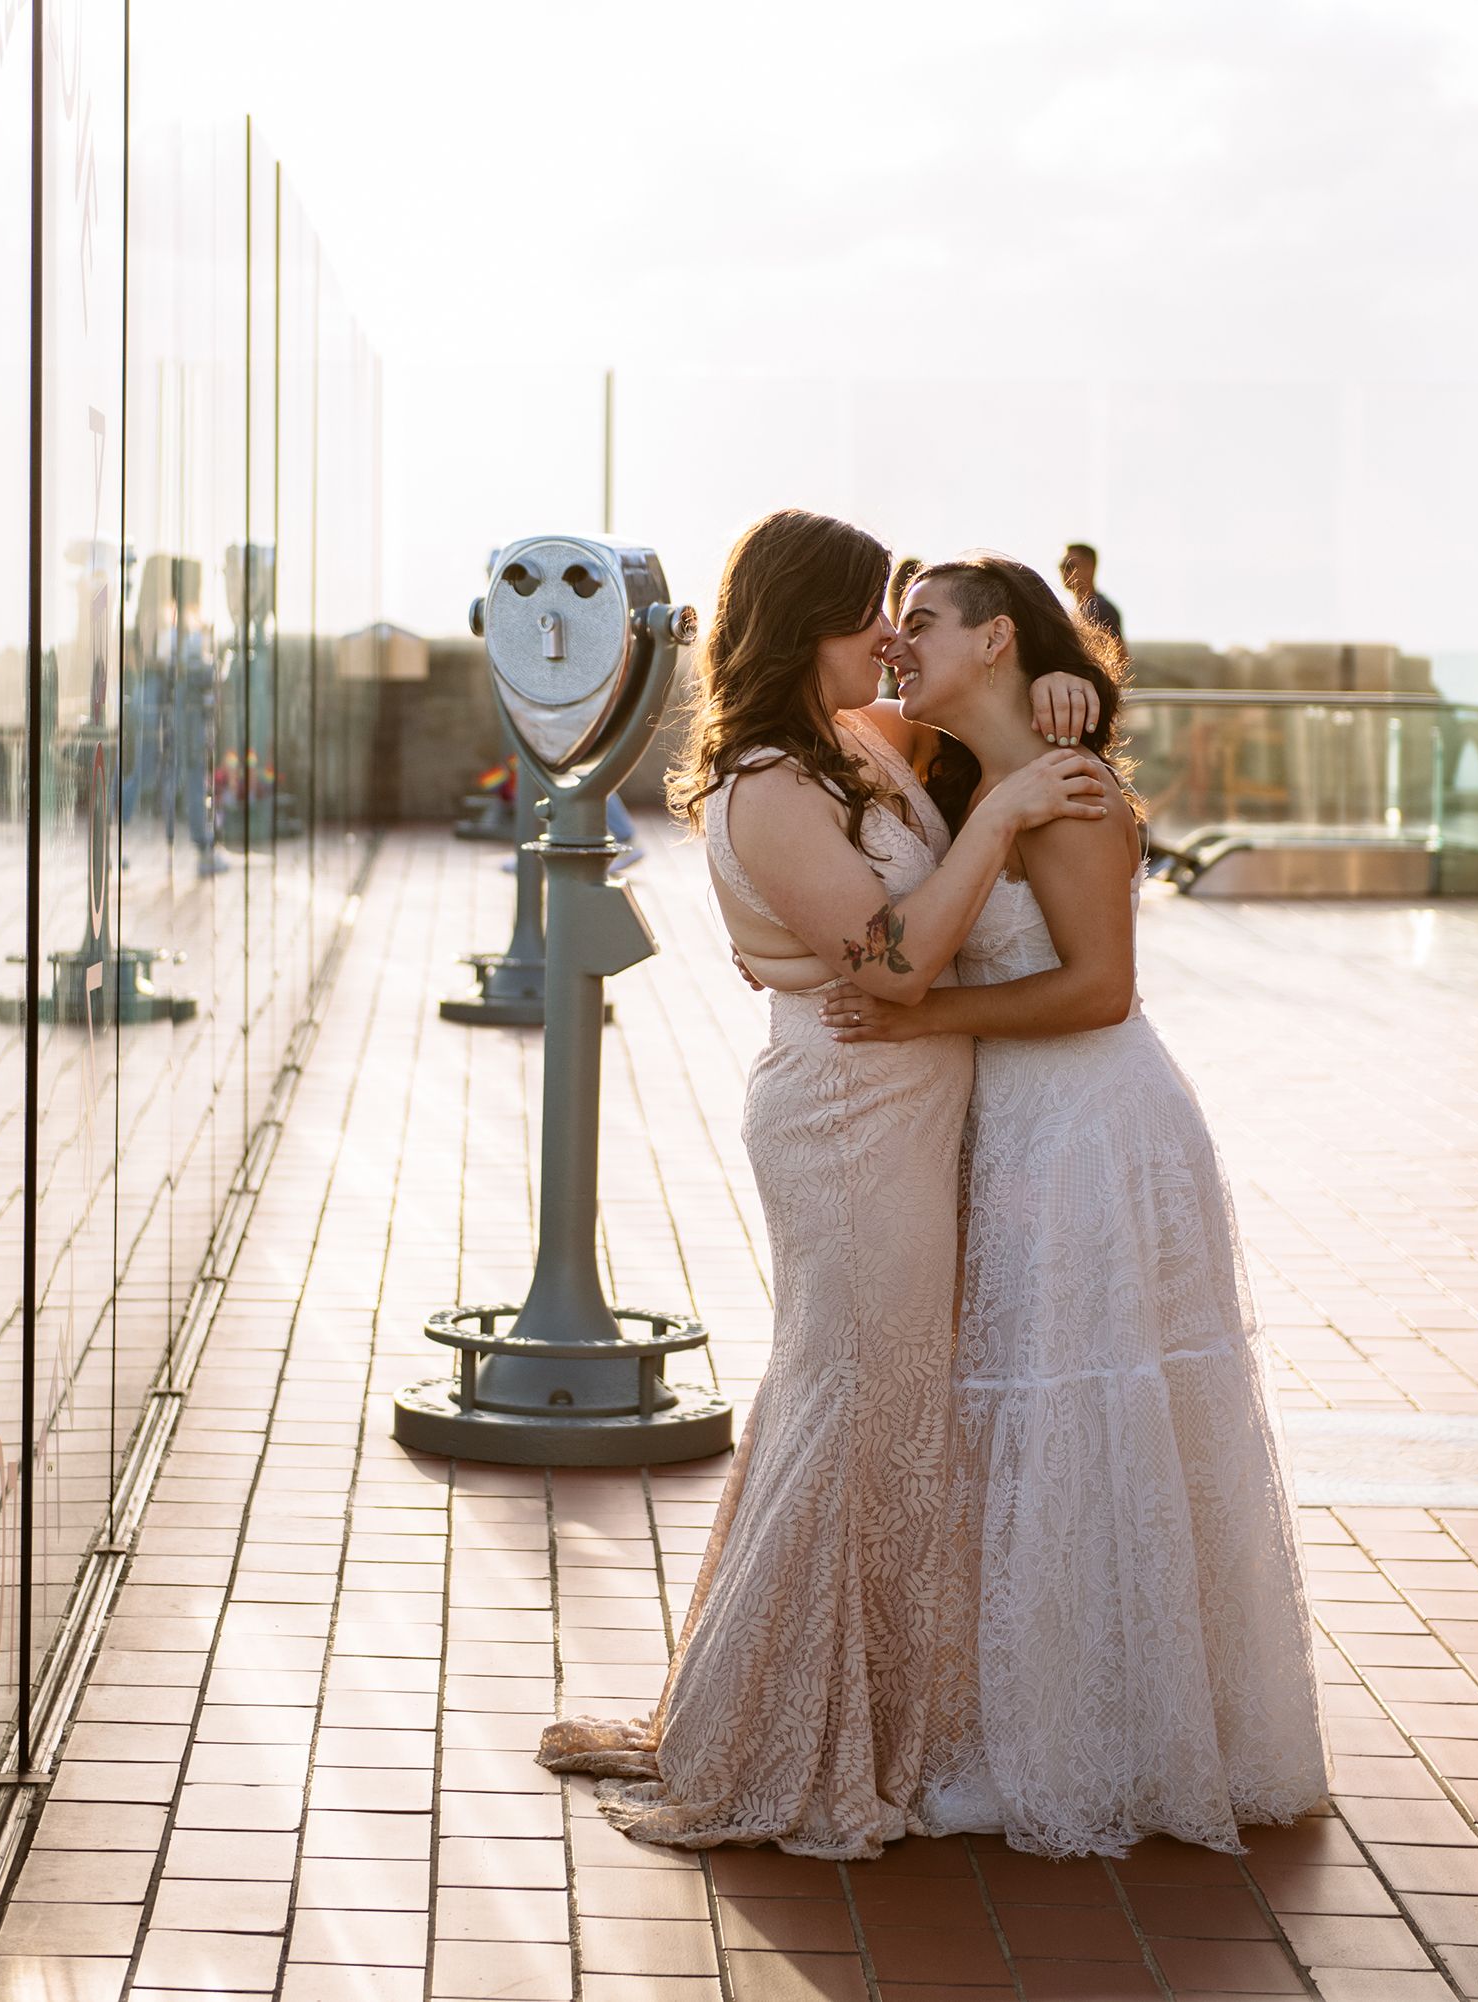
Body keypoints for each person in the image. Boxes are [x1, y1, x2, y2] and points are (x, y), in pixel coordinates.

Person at [535, 509, 1108, 1857]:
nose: (896, 639)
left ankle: (817, 1702)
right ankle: (776, 1732)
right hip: (850, 1121)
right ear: (813, 626)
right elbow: (897, 963)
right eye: (874, 617)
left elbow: (977, 726)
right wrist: (1019, 807)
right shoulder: (771, 784)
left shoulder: (854, 745)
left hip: (903, 1111)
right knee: (855, 1414)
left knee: (863, 1410)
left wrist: (1059, 689)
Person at [821, 554, 1329, 1857]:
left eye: (921, 623)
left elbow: (1101, 990)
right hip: (1022, 1129)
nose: (896, 644)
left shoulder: (1074, 795)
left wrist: (924, 1012)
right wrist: (1053, 673)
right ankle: (1022, 1722)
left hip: (1099, 1130)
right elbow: (819, 707)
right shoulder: (964, 776)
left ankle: (1109, 1741)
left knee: (1091, 1423)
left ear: (992, 640)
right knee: (1030, 1432)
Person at [1059, 540, 1124, 648]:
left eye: (1069, 565)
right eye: (1061, 565)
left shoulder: (1102, 610)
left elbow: (1119, 657)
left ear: (1090, 568)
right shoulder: (1072, 611)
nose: (1063, 570)